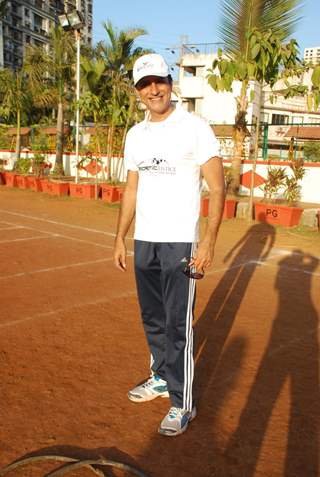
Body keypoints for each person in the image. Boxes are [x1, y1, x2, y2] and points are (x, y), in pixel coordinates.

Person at [114, 53, 225, 436]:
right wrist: (119, 237)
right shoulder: (135, 135)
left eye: (158, 81)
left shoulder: (194, 127)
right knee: (154, 318)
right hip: (146, 239)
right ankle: (160, 377)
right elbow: (131, 189)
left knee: (179, 324)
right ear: (138, 91)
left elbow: (218, 185)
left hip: (180, 241)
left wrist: (208, 242)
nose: (153, 90)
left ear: (170, 82)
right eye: (145, 84)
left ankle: (182, 403)